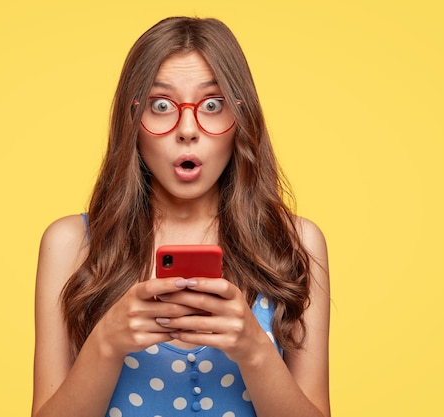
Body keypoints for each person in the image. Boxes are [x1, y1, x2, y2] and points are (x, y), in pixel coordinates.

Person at [32, 16, 330, 417]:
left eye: (212, 104)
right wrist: (107, 342)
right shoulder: (71, 244)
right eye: (160, 105)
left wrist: (253, 348)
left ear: (241, 119)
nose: (187, 129)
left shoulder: (296, 243)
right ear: (132, 120)